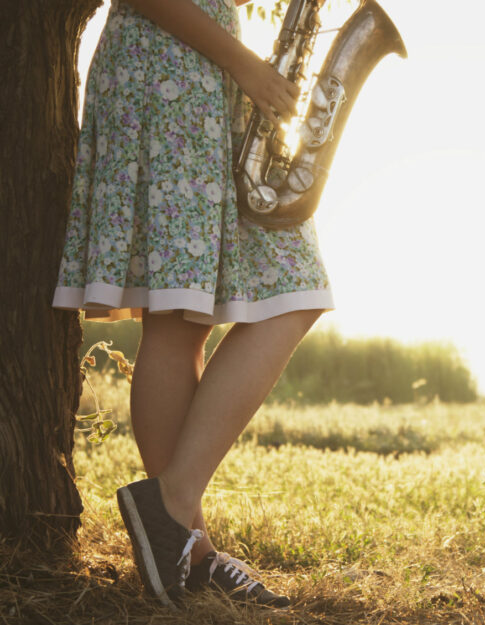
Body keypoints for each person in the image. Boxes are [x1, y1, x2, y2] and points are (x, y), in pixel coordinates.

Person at [51, 0, 333, 609]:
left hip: (205, 79)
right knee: (179, 320)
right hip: (168, 75)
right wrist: (247, 67)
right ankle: (184, 531)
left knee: (226, 310)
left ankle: (178, 528)